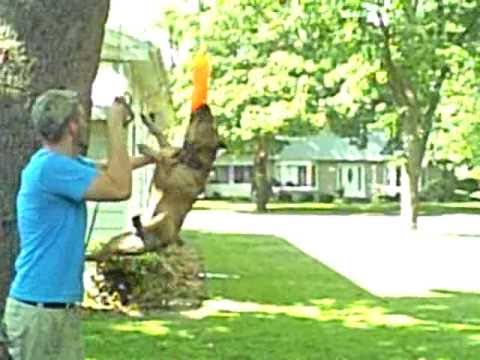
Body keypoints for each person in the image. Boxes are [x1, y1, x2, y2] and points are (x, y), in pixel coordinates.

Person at [0, 89, 152, 359]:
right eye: (81, 118)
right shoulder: (51, 168)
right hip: (39, 314)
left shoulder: (64, 164)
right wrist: (114, 126)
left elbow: (109, 168)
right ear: (71, 126)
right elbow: (119, 188)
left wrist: (155, 158)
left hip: (56, 308)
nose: (85, 123)